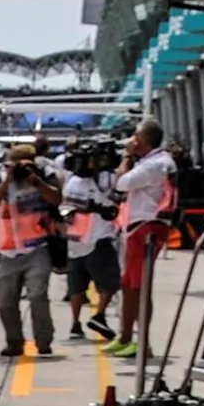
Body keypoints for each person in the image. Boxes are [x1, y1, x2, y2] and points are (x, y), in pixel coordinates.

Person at [0, 143, 64, 359]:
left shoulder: (44, 175)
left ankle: (43, 341)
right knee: (5, 301)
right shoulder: (3, 177)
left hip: (36, 247)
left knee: (37, 295)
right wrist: (7, 181)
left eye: (26, 165)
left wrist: (37, 182)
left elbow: (57, 199)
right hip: (8, 250)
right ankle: (14, 343)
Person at [110, 119, 177, 359]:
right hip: (137, 226)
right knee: (129, 284)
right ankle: (125, 336)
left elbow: (121, 183)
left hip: (148, 226)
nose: (132, 141)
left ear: (145, 139)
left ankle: (142, 342)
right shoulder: (152, 162)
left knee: (140, 286)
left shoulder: (155, 164)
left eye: (136, 136)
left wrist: (126, 157)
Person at [60, 142, 120, 341]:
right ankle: (99, 315)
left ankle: (75, 324)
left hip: (75, 241)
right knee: (110, 283)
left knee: (77, 287)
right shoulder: (103, 180)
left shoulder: (71, 181)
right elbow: (117, 194)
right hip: (97, 239)